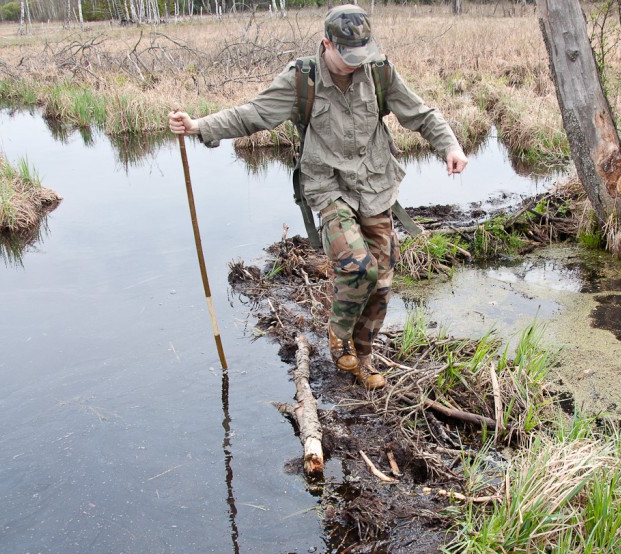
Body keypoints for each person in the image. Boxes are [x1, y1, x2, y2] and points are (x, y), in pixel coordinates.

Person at [169, 4, 468, 389]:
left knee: (382, 281)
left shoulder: (379, 72)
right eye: (348, 56)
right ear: (327, 44)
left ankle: (363, 356)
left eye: (362, 54)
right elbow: (253, 114)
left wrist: (451, 147)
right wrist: (198, 127)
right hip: (328, 186)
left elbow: (422, 114)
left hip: (375, 184)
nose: (356, 63)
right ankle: (338, 332)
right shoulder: (302, 79)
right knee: (358, 267)